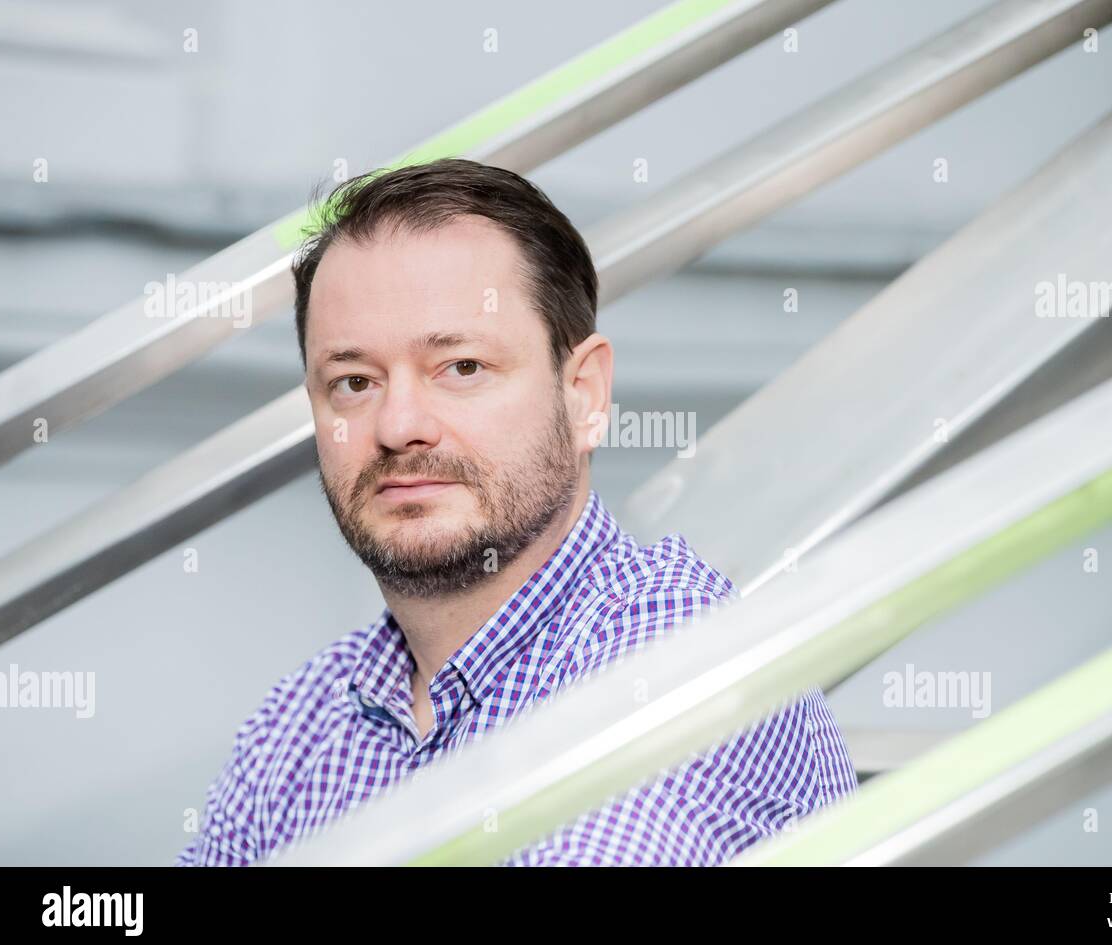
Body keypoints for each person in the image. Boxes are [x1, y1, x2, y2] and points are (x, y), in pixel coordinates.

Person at [176, 158, 857, 866]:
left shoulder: (680, 649)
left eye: (461, 368)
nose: (398, 424)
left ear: (585, 395)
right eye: (353, 381)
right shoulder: (294, 729)